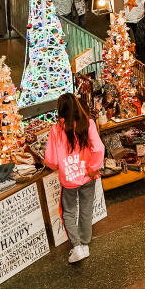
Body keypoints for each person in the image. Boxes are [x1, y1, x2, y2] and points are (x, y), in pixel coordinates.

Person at [44, 93, 105, 264]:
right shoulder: (88, 123)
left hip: (69, 180)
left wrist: (61, 167)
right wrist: (93, 168)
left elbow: (51, 160)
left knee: (69, 211)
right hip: (88, 177)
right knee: (86, 208)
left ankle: (77, 247)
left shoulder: (56, 129)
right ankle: (85, 243)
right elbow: (99, 148)